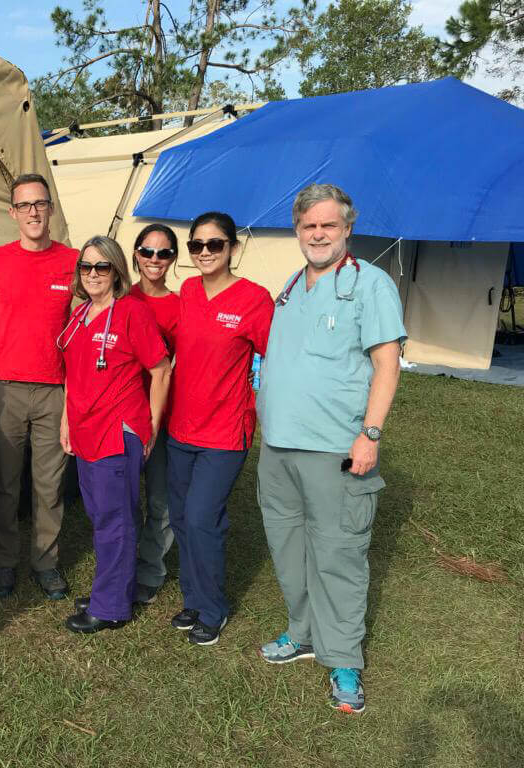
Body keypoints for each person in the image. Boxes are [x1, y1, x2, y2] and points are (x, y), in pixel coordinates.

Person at [256, 184, 404, 714]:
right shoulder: (293, 286)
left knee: (339, 555)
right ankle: (303, 632)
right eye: (308, 226)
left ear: (347, 228)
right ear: (297, 230)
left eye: (328, 225)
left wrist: (370, 434)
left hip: (335, 451)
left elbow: (387, 364)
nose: (317, 234)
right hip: (278, 449)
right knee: (289, 551)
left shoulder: (370, 285)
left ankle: (343, 659)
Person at [167, 212, 274, 647]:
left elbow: (278, 358)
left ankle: (213, 608)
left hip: (225, 431)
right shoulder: (189, 291)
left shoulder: (254, 299)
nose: (205, 252)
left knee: (202, 517)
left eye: (214, 244)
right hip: (180, 427)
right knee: (181, 518)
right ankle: (193, 596)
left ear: (233, 248)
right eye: (196, 245)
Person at [59, 236, 170, 633]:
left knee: (115, 521)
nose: (92, 274)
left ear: (117, 271)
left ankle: (110, 607)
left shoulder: (132, 313)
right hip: (85, 429)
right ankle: (113, 587)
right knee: (100, 516)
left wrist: (151, 426)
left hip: (116, 430)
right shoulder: (79, 315)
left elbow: (160, 369)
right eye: (85, 267)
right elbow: (73, 374)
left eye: (101, 267)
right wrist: (65, 422)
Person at [0, 174, 77, 599]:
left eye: (40, 204)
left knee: (49, 485)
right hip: (6, 388)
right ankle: (3, 561)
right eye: (25, 205)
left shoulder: (74, 261)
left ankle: (46, 562)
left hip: (56, 388)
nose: (33, 212)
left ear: (50, 208)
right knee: (5, 483)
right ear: (12, 212)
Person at [128, 224, 180, 605]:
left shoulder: (180, 306)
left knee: (160, 496)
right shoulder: (119, 297)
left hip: (164, 411)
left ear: (174, 258)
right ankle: (121, 563)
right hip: (122, 412)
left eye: (163, 253)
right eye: (147, 252)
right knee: (124, 496)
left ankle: (150, 568)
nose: (155, 260)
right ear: (135, 255)